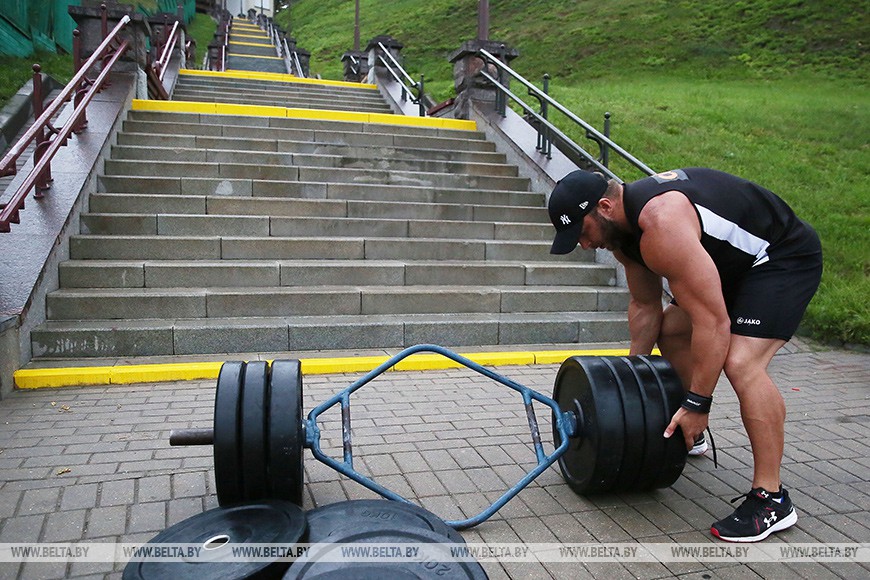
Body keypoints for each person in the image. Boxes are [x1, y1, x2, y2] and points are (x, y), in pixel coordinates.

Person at [548, 168, 822, 542]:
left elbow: (713, 323)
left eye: (582, 232)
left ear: (605, 207)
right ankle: (689, 430)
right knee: (672, 328)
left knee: (742, 362)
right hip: (731, 263)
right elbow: (646, 308)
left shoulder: (661, 224)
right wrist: (630, 395)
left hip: (780, 255)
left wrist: (699, 401)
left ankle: (771, 499)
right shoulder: (627, 238)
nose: (583, 245)